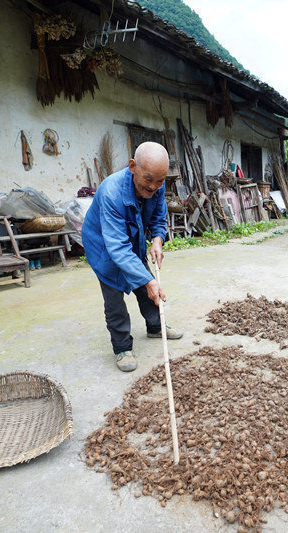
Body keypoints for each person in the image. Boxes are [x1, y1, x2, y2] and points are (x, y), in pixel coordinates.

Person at [82, 141, 183, 372]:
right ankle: (121, 347)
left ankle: (156, 327)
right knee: (114, 294)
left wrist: (158, 239)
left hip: (130, 237)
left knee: (145, 281)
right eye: (148, 179)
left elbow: (159, 215)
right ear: (132, 166)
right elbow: (117, 248)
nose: (154, 187)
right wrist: (148, 281)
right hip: (103, 244)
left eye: (160, 181)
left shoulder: (157, 183)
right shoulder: (111, 192)